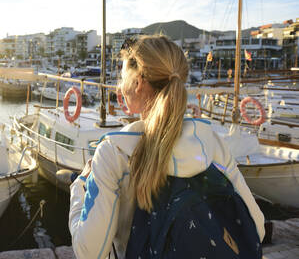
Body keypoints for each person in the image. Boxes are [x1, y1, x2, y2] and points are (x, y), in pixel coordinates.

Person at [69, 35, 264, 259]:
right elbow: (256, 227)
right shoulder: (211, 143)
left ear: (138, 82)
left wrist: (79, 188)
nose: (118, 86)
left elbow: (89, 252)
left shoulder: (114, 152)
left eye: (121, 77)